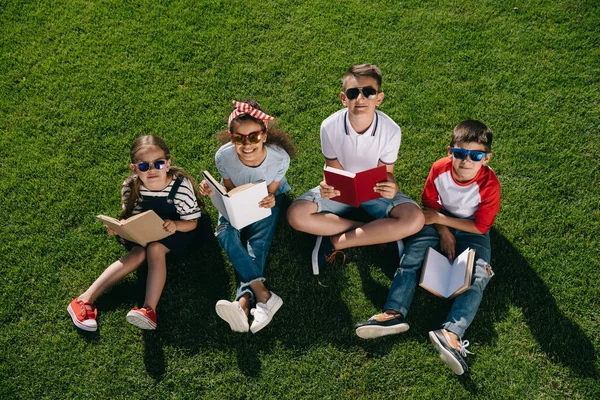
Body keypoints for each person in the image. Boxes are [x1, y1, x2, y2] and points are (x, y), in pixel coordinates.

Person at [355, 120, 501, 375]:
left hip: (470, 230)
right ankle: (393, 313)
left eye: (475, 155)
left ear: (486, 158)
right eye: (459, 153)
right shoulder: (440, 169)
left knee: (479, 275)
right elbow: (429, 202)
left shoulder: (489, 185)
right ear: (450, 151)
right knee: (412, 257)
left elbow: (480, 227)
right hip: (435, 220)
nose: (465, 161)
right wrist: (443, 231)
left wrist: (444, 223)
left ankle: (451, 333)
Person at [286, 63, 424, 274]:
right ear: (344, 98)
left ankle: (337, 241)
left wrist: (392, 187)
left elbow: (387, 173)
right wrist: (326, 185)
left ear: (379, 98)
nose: (360, 98)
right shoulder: (329, 126)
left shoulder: (391, 130)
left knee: (416, 218)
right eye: (353, 93)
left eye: (368, 92)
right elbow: (332, 169)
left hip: (374, 192)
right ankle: (375, 230)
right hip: (341, 192)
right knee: (296, 215)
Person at [67, 135, 203, 331]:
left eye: (159, 164)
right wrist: (121, 227)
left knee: (155, 249)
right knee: (138, 253)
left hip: (178, 230)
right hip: (146, 233)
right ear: (134, 168)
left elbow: (192, 222)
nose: (153, 170)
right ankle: (83, 300)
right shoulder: (131, 187)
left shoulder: (180, 187)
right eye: (144, 166)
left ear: (168, 162)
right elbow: (132, 217)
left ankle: (148, 310)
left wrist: (175, 224)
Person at [199, 100, 296, 334]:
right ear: (231, 137)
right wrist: (214, 192)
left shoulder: (279, 158)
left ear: (264, 134)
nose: (246, 144)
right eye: (238, 138)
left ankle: (242, 304)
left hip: (264, 199)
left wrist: (270, 200)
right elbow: (230, 188)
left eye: (253, 137)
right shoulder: (223, 157)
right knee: (225, 232)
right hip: (237, 198)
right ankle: (263, 295)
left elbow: (272, 191)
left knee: (257, 244)